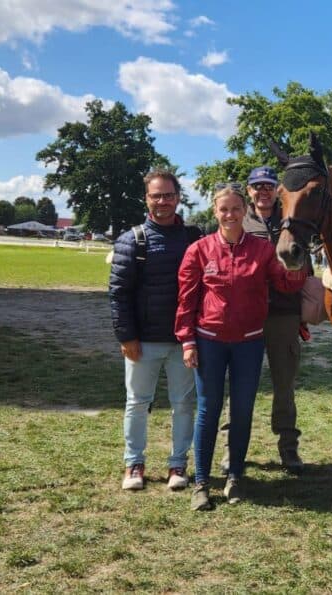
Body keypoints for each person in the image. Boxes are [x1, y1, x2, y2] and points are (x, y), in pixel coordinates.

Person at [176, 186, 306, 511]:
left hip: (249, 343)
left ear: (243, 209)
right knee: (208, 410)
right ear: (215, 212)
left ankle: (235, 475)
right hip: (209, 341)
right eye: (224, 210)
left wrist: (299, 260)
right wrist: (188, 340)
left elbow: (286, 283)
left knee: (243, 411)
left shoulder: (262, 250)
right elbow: (187, 300)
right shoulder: (199, 250)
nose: (230, 215)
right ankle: (202, 482)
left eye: (236, 209)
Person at [109, 170, 201, 491]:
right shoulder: (131, 240)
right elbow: (119, 294)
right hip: (143, 342)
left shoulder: (194, 237)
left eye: (168, 195)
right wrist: (126, 337)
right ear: (146, 199)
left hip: (184, 341)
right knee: (137, 402)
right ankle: (134, 464)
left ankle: (178, 464)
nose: (163, 202)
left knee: (184, 404)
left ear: (178, 197)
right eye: (156, 196)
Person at [241, 165, 307, 474]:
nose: (263, 191)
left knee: (285, 386)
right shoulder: (238, 220)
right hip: (246, 315)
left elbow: (304, 263)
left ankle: (288, 449)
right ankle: (233, 447)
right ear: (249, 190)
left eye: (269, 186)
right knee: (242, 386)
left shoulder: (291, 219)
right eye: (258, 186)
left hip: (284, 313)